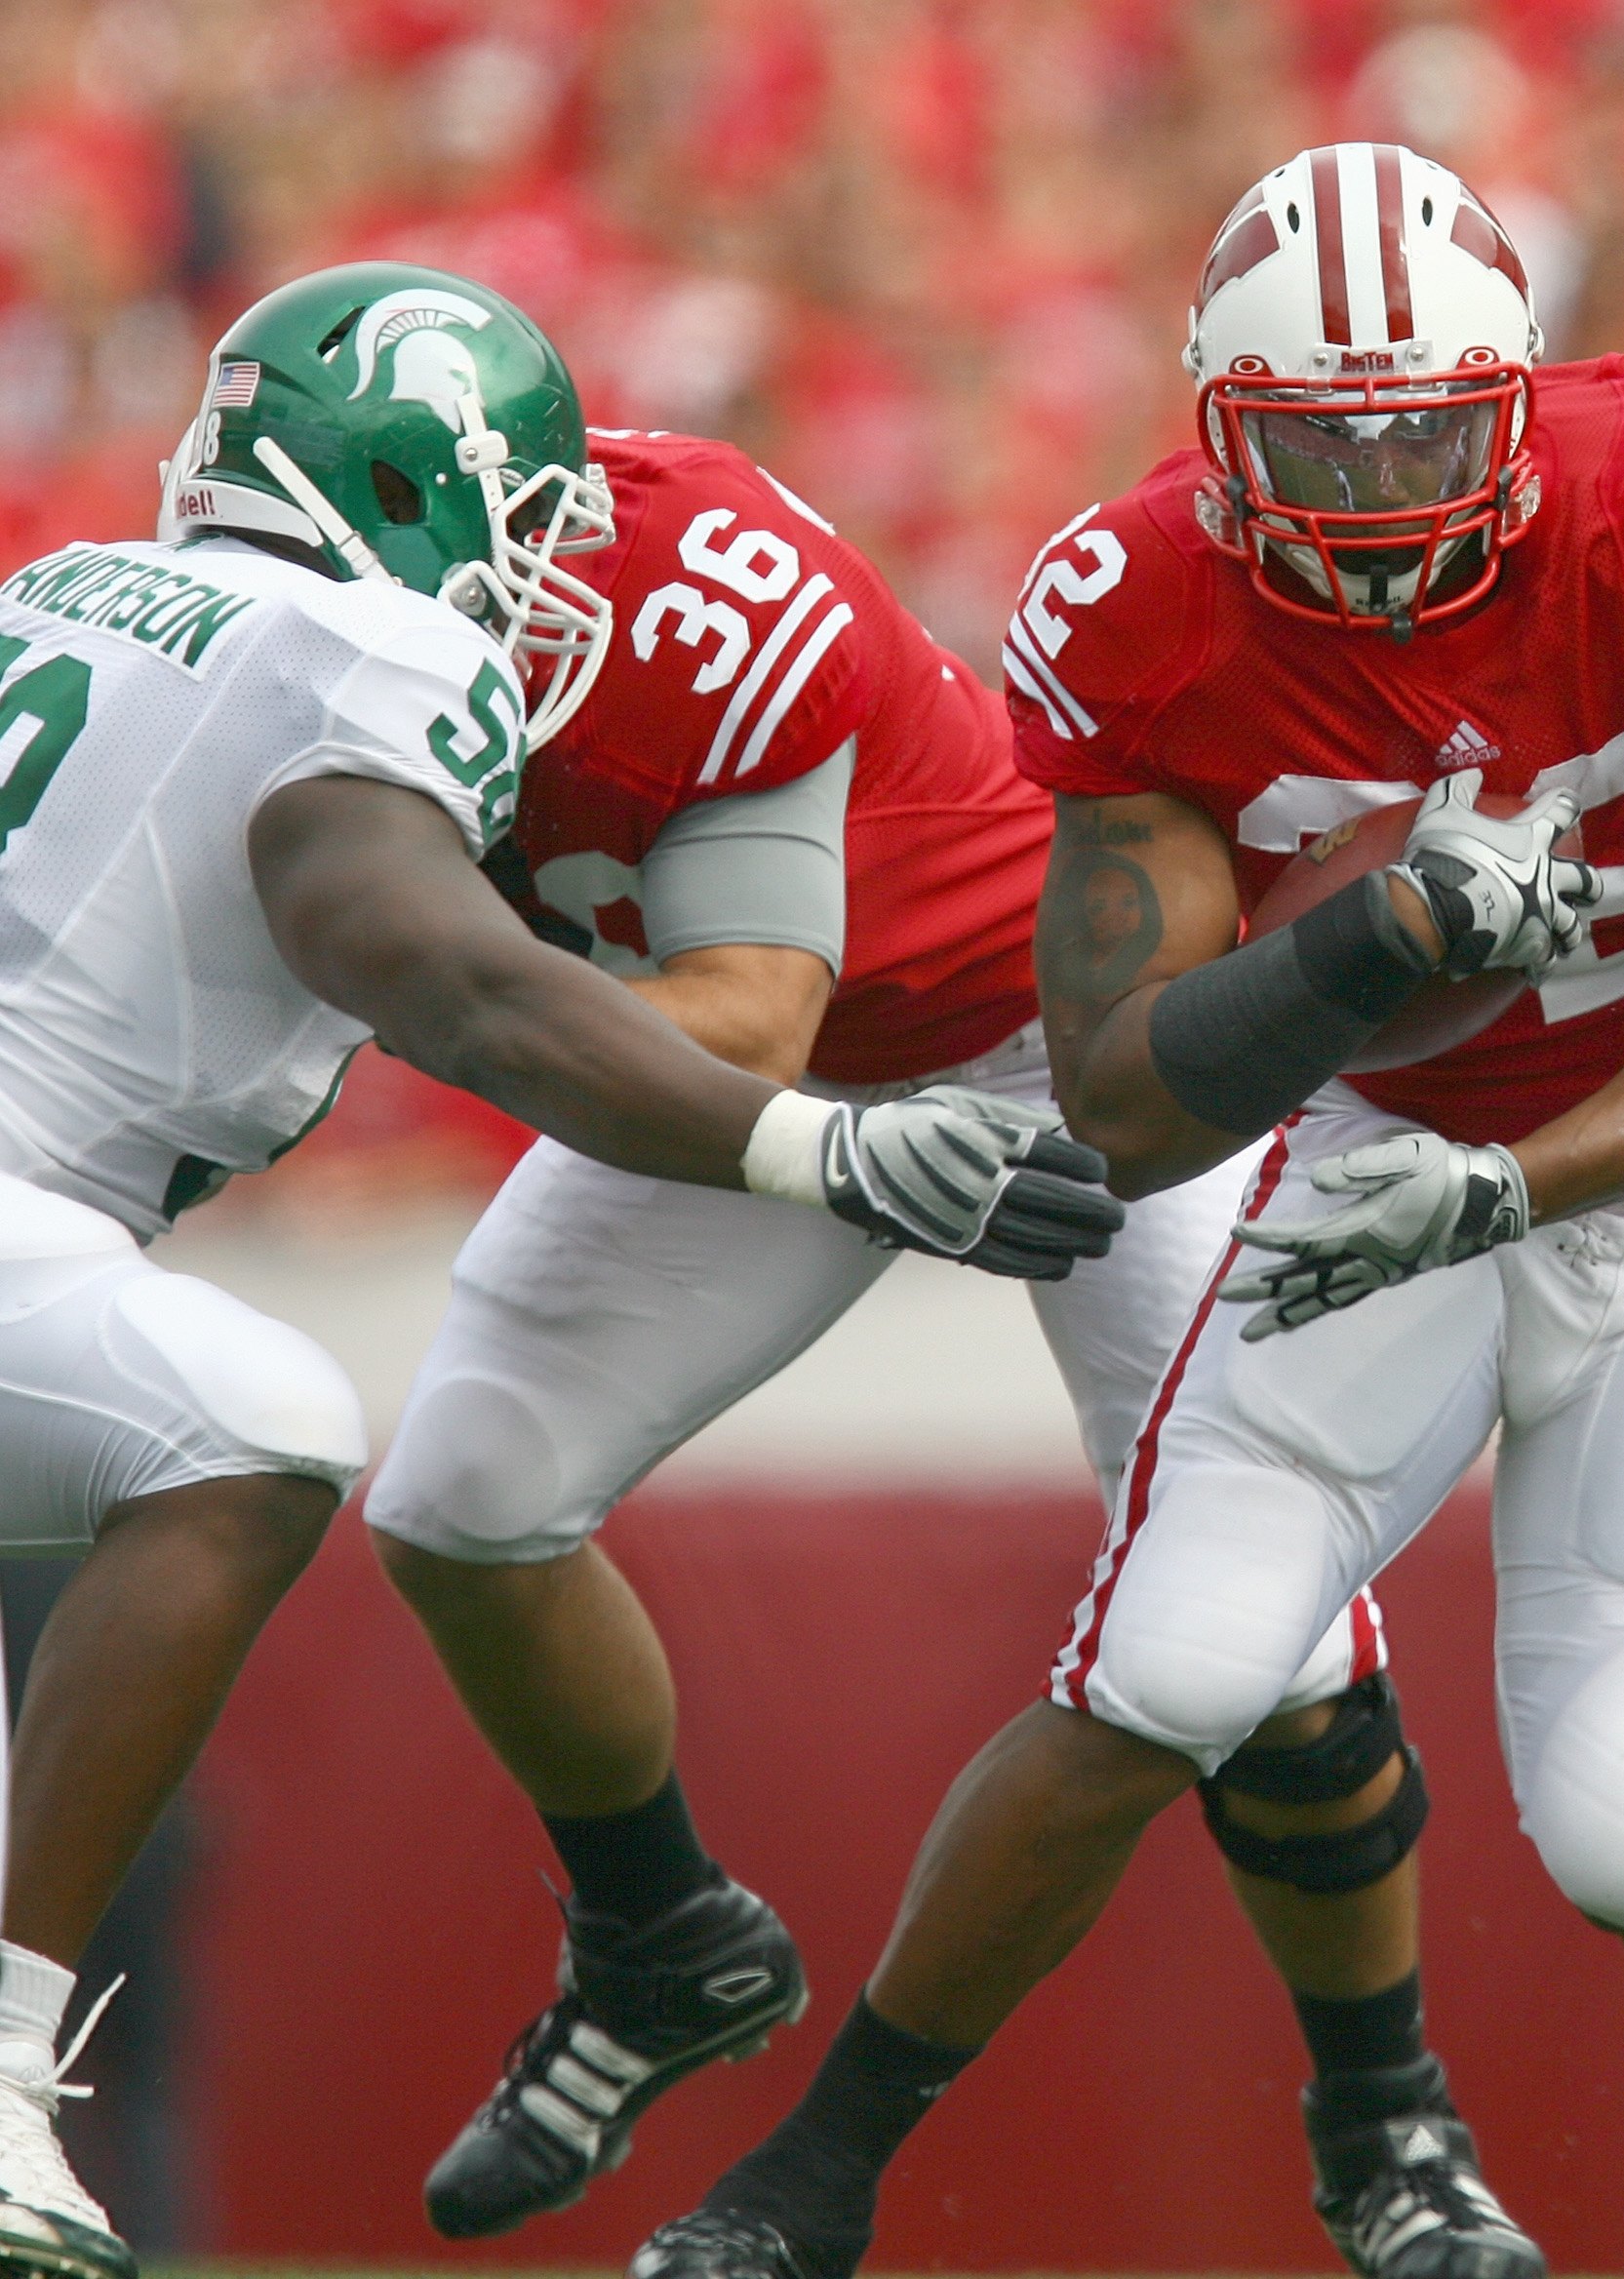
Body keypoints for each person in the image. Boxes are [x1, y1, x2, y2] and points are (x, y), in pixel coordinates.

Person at [632, 141, 1624, 2279]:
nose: (1383, 484)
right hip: (1374, 1154)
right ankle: (819, 2172)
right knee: (1171, 1667)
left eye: (1425, 426)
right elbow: (1116, 1104)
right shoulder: (1136, 608)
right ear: (1216, 427)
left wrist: (1518, 1180)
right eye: (1323, 436)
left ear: (1524, 392)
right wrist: (1371, 941)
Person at [0, 260, 1124, 2278]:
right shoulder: (357, 649)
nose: (535, 574)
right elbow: (447, 974)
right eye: (516, 524)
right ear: (434, 495)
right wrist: (823, 1146)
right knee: (252, 1426)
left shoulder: (66, 584)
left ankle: (647, 1935)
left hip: (39, 1240)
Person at [337, 340, 1459, 2239]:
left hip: (1050, 1050)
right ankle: (656, 1935)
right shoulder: (321, 635)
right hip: (770, 1086)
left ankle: (1391, 2121)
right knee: (459, 1503)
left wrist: (425, 1005)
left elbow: (751, 1014)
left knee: (1270, 1632)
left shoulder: (700, 595)